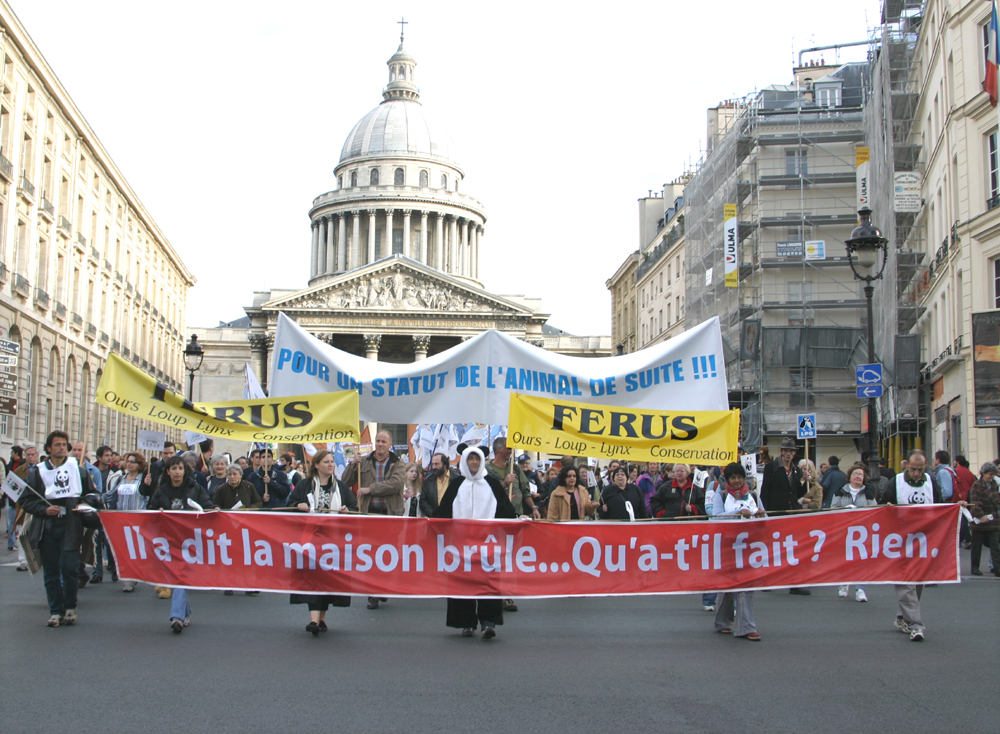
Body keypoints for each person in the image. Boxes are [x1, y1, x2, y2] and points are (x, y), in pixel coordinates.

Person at [433, 447, 516, 639]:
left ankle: (488, 623)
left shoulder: (493, 485)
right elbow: (442, 513)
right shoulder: (456, 485)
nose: (474, 463)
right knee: (463, 583)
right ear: (465, 461)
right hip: (461, 547)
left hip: (488, 546)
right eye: (470, 459)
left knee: (488, 583)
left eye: (477, 459)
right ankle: (466, 623)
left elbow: (507, 513)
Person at [19, 430, 100, 627]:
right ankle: (56, 611)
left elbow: (93, 494)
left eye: (64, 445)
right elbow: (25, 499)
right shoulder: (38, 472)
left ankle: (70, 607)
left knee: (69, 568)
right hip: (47, 527)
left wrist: (85, 504)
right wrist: (44, 510)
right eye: (57, 445)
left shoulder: (78, 470)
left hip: (70, 524)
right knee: (51, 571)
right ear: (48, 448)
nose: (62, 448)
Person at [286, 450, 358, 635]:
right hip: (310, 539)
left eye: (332, 461)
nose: (331, 464)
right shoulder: (305, 485)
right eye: (326, 461)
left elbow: (353, 507)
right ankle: (314, 621)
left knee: (328, 579)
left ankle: (322, 618)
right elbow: (290, 506)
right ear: (316, 465)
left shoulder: (341, 487)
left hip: (333, 542)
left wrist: (346, 510)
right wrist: (298, 506)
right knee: (312, 578)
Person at [146, 455, 216, 633]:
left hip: (189, 540)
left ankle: (177, 615)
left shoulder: (195, 488)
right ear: (168, 472)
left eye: (180, 468)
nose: (177, 472)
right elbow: (149, 513)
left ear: (185, 471)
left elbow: (207, 506)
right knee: (178, 575)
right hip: (168, 540)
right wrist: (157, 513)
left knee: (179, 575)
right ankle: (184, 611)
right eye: (174, 469)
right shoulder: (161, 491)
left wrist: (212, 510)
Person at [882, 449, 944, 641]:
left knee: (918, 581)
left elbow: (941, 506)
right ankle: (915, 624)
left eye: (920, 469)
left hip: (923, 541)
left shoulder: (931, 482)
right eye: (913, 469)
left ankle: (903, 616)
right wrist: (888, 508)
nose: (917, 473)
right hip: (900, 541)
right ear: (906, 465)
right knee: (905, 581)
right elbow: (882, 504)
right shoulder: (896, 482)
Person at [342, 430, 405, 609]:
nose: (380, 444)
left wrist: (371, 489)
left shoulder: (398, 463)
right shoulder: (365, 461)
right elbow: (345, 481)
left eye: (383, 441)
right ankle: (373, 592)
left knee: (388, 554)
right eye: (378, 441)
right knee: (370, 554)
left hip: (390, 515)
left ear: (390, 445)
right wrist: (353, 465)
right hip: (369, 515)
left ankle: (383, 587)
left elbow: (397, 484)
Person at [710, 462, 763, 641]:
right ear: (728, 479)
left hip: (749, 546)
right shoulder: (722, 494)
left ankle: (746, 627)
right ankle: (723, 621)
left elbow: (763, 515)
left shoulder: (752, 494)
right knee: (728, 585)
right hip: (728, 545)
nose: (737, 480)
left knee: (746, 585)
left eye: (740, 477)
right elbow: (716, 517)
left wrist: (760, 515)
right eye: (733, 477)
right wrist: (740, 513)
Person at [760, 438, 809, 595]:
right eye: (786, 451)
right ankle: (768, 580)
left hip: (792, 513)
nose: (788, 454)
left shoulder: (797, 470)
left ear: (794, 453)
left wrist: (803, 481)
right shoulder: (772, 467)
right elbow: (764, 491)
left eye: (791, 451)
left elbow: (797, 493)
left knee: (793, 548)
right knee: (774, 548)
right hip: (776, 511)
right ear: (781, 452)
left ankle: (794, 582)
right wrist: (768, 511)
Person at [829, 463, 876, 602]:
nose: (858, 477)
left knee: (861, 560)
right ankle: (843, 583)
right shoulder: (840, 491)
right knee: (845, 558)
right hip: (845, 531)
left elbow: (874, 509)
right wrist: (845, 511)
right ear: (850, 477)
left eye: (861, 475)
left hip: (862, 532)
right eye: (856, 474)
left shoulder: (868, 492)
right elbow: (833, 509)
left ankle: (860, 589)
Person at [103, 452, 147, 591]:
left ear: (139, 465)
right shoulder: (121, 479)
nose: (129, 464)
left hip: (136, 519)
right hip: (121, 519)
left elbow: (147, 498)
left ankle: (131, 578)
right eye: (128, 461)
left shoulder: (143, 480)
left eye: (132, 462)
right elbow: (111, 495)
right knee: (124, 550)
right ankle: (127, 577)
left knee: (134, 549)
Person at [485, 436, 540, 519]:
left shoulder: (515, 468)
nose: (511, 451)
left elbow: (525, 491)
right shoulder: (485, 470)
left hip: (517, 516)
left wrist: (534, 508)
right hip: (495, 516)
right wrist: (505, 483)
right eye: (509, 449)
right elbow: (487, 493)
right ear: (499, 449)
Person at [968, 462, 1000, 577]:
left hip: (993, 520)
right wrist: (981, 515)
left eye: (993, 474)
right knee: (977, 546)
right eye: (990, 474)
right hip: (979, 521)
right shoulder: (976, 485)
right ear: (984, 473)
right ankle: (975, 567)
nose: (992, 477)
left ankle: (998, 568)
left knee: (995, 546)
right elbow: (975, 502)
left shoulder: (995, 485)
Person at [953, 455, 977, 547]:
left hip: (960, 496)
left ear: (958, 462)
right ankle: (965, 538)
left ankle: (967, 538)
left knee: (961, 518)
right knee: (966, 518)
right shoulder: (969, 472)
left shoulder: (956, 472)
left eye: (955, 461)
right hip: (969, 495)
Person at [419, 453, 451, 518]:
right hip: (434, 520)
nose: (434, 467)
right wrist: (433, 514)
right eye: (432, 464)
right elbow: (423, 501)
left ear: (445, 465)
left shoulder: (456, 479)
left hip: (453, 519)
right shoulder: (428, 481)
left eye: (436, 464)